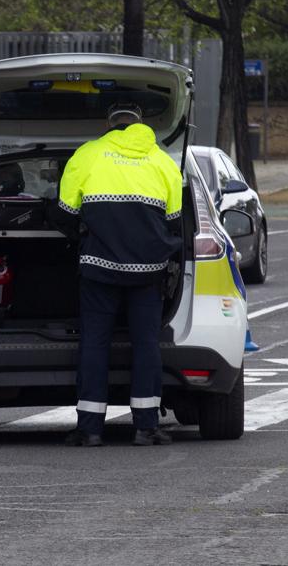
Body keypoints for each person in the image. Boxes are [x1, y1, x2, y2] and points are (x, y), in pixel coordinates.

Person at [48, 102, 183, 447]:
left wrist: (86, 236)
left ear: (108, 124)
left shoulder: (88, 155)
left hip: (99, 268)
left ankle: (90, 429)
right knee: (146, 344)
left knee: (94, 343)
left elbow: (64, 213)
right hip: (148, 271)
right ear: (140, 123)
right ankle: (146, 427)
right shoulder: (163, 161)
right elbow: (174, 224)